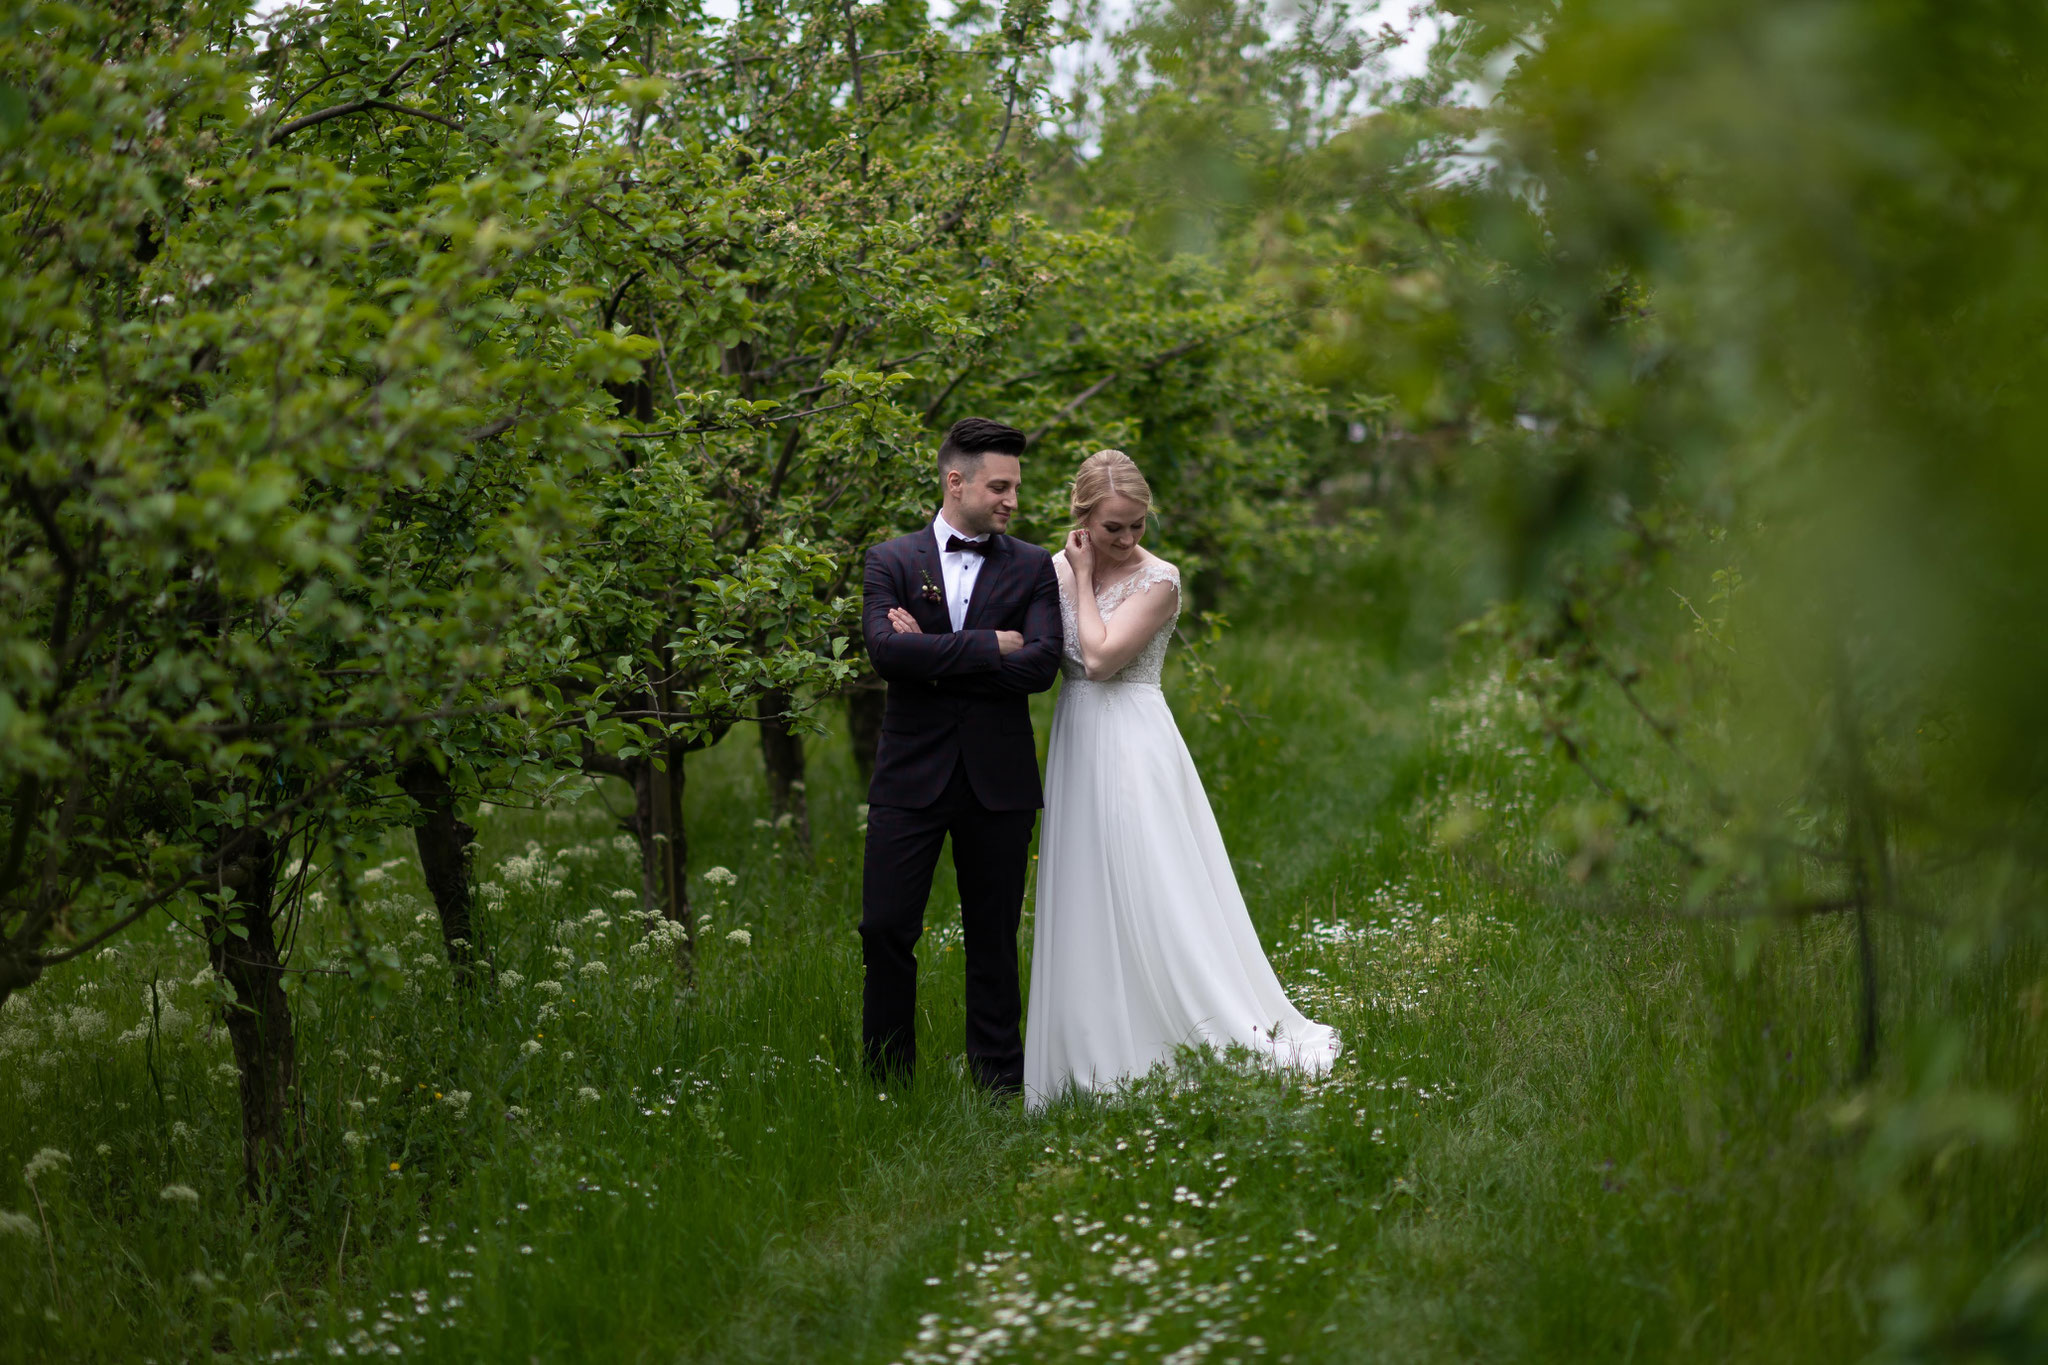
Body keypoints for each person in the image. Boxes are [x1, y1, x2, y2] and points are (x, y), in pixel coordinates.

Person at [1019, 449, 1339, 1107]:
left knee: (1151, 879)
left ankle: (1186, 1030)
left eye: (1137, 524)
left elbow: (1103, 657)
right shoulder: (1045, 571)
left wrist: (1080, 576)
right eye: (1113, 527)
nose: (1129, 538)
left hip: (1135, 741)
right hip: (1077, 740)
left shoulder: (1159, 580)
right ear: (1082, 517)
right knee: (1085, 883)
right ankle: (1093, 1044)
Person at [859, 417, 1062, 1098]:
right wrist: (989, 646)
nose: (1012, 500)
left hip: (998, 780)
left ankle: (1000, 1084)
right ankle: (888, 1082)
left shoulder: (1035, 566)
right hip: (908, 776)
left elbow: (1039, 668)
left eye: (1015, 488)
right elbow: (886, 654)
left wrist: (933, 658)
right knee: (886, 926)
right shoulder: (889, 560)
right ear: (956, 481)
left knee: (994, 935)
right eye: (999, 486)